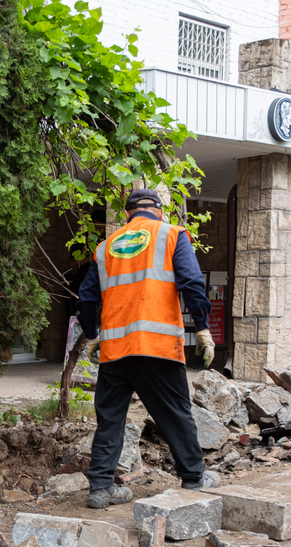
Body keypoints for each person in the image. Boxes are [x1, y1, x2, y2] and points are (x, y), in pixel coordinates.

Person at [77, 188, 216, 508]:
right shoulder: (171, 234)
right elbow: (192, 283)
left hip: (115, 350)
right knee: (176, 413)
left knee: (110, 418)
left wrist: (91, 334)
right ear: (160, 211)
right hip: (158, 346)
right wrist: (204, 328)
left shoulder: (106, 247)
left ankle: (100, 488)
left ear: (126, 215)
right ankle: (194, 477)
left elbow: (86, 298)